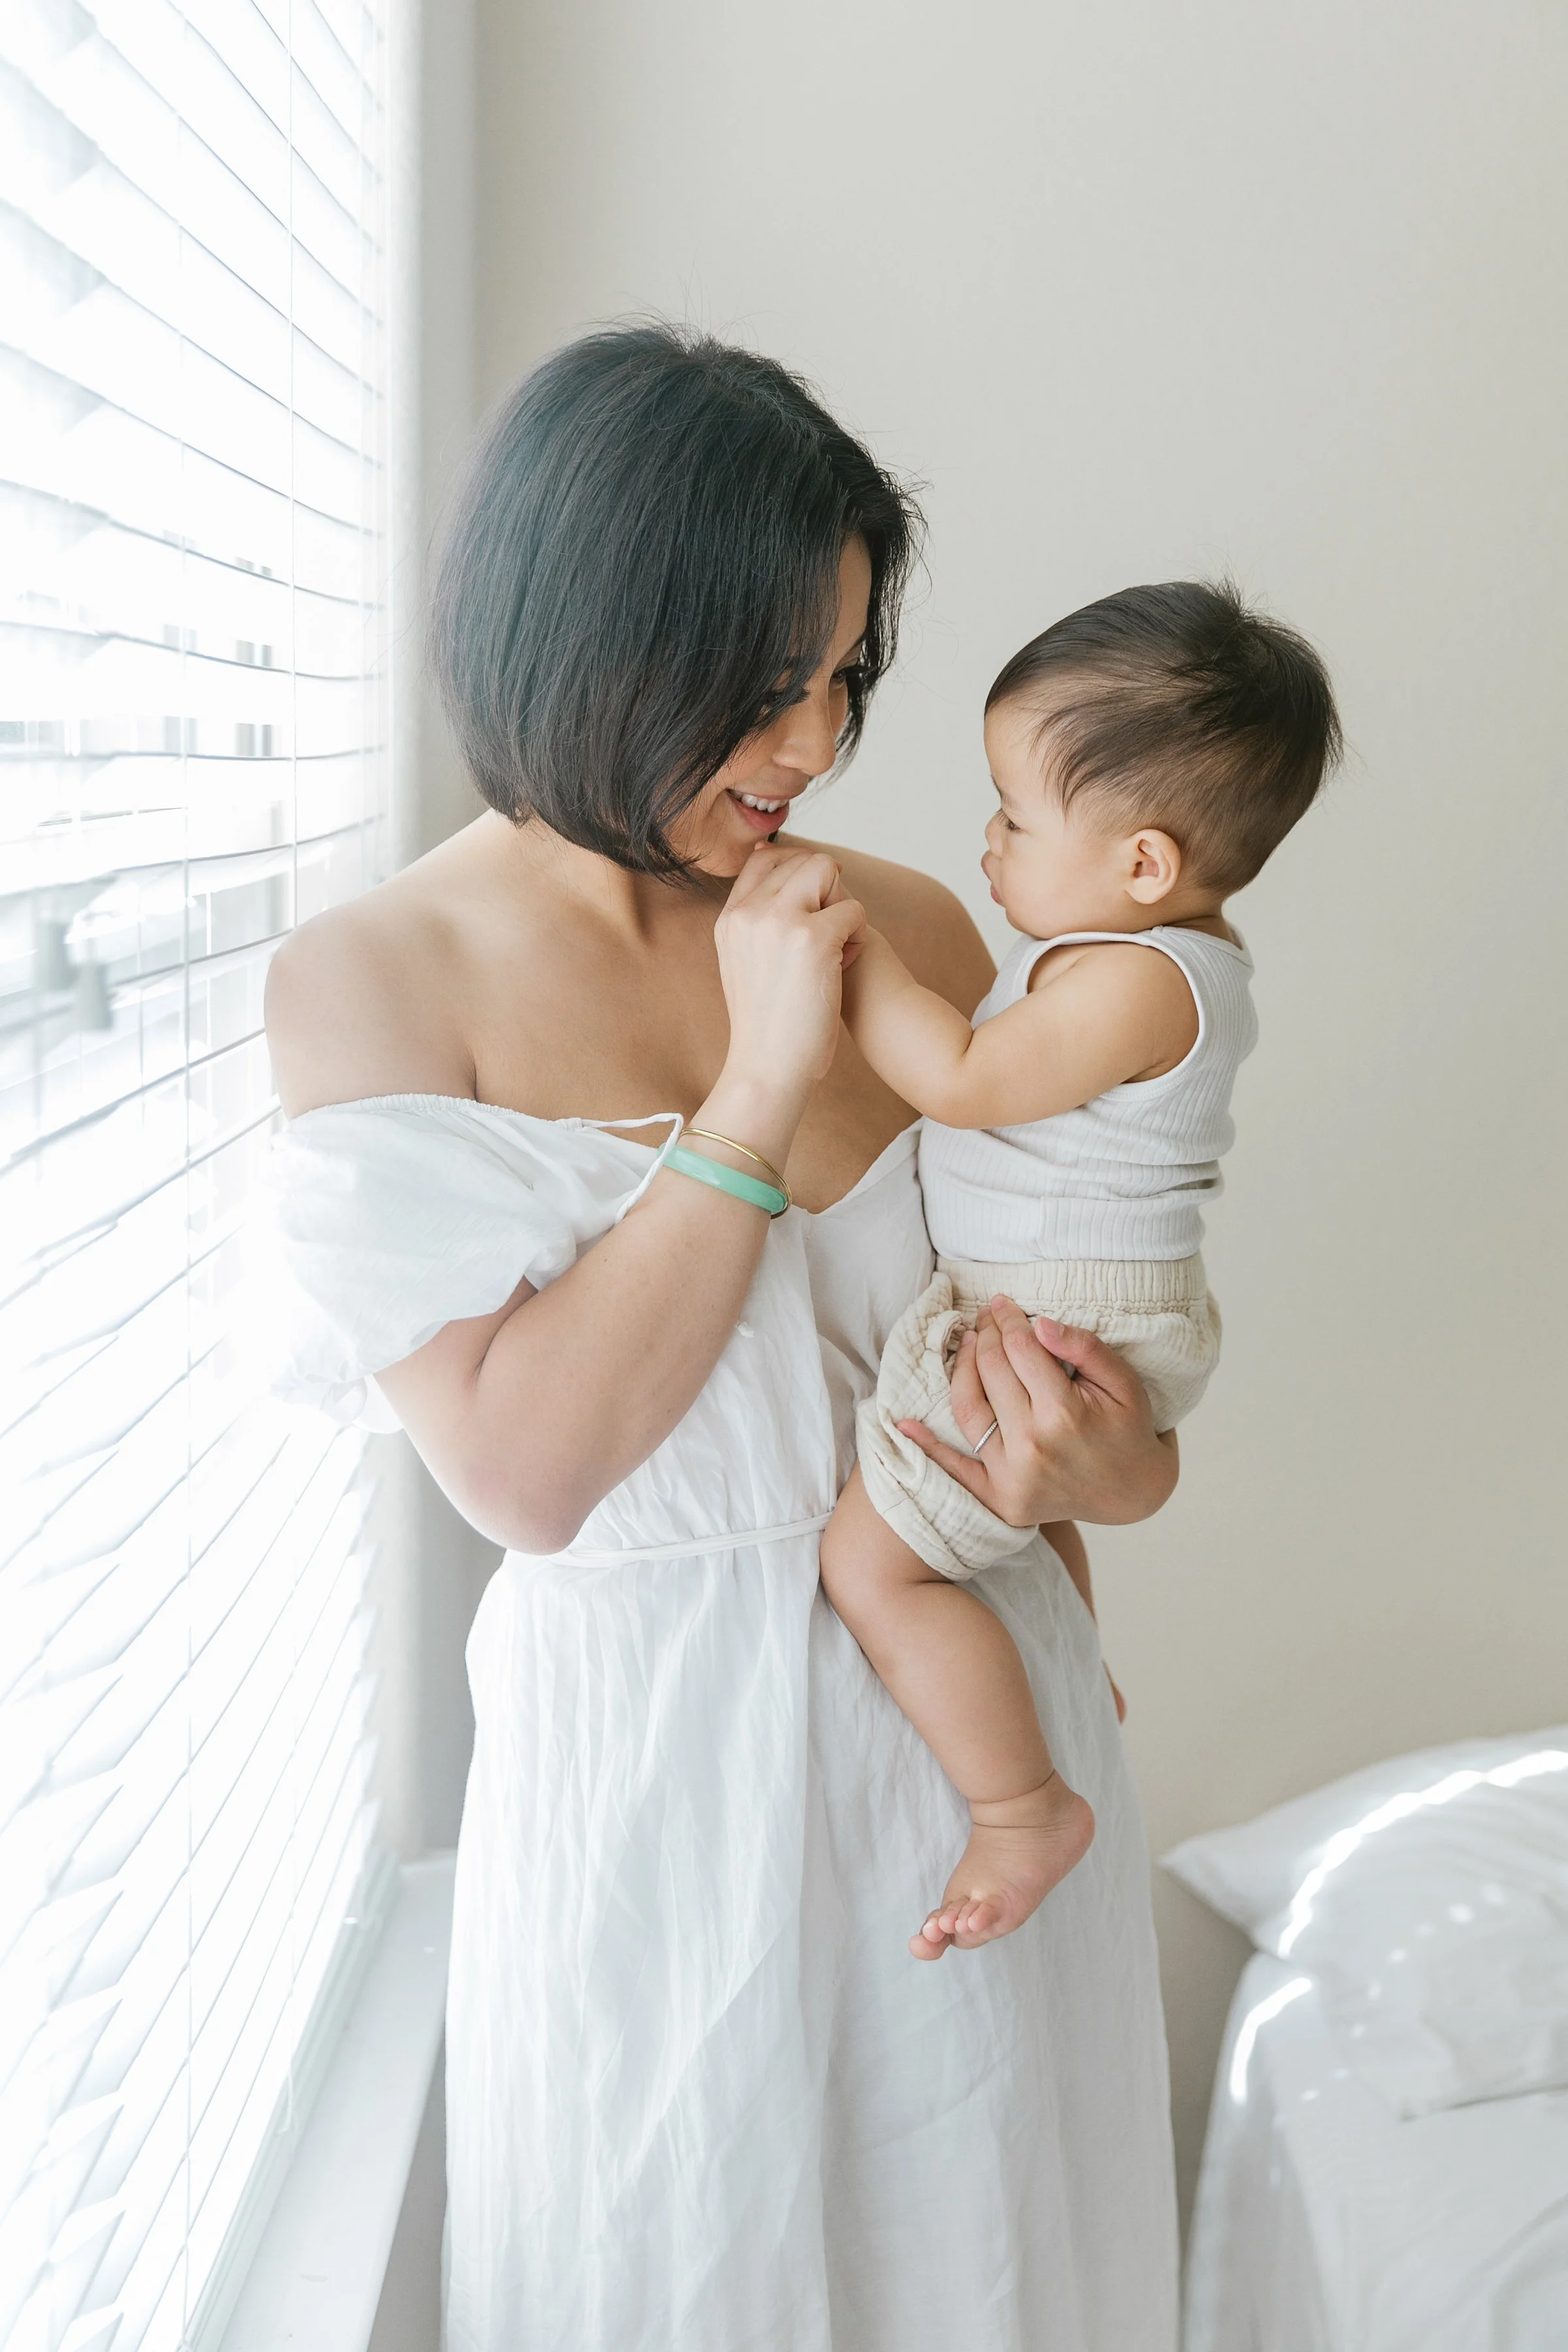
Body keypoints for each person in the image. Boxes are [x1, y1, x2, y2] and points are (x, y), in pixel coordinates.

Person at [263, 324, 1181, 2350]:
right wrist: (757, 1089)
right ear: (588, 636)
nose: (815, 744)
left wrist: (1105, 1468)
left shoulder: (921, 932)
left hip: (984, 1767)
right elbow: (528, 1469)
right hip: (664, 1796)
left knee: (1016, 2285)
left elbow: (1079, 1397)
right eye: (764, 683)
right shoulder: (379, 982)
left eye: (844, 675)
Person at [820, 583, 1341, 1959]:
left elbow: (967, 1079)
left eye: (1013, 815)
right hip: (1084, 1310)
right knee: (1027, 1516)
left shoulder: (1127, 981)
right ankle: (1069, 1673)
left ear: (1146, 866)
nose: (985, 842)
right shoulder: (1164, 958)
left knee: (876, 1571)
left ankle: (1019, 1806)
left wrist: (849, 954)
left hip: (1057, 1321)